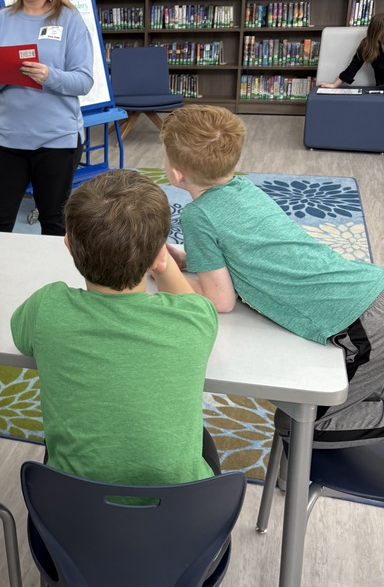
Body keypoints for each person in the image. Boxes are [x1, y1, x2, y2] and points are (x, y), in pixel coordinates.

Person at [11, 169, 220, 587]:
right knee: (203, 444)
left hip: (70, 528)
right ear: (156, 255)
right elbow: (195, 300)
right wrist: (161, 262)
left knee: (58, 452)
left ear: (67, 244)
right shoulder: (193, 322)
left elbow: (20, 336)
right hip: (181, 541)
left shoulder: (47, 309)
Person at [159, 105, 384, 442]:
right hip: (367, 289)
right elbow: (246, 248)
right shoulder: (245, 188)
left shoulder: (198, 216)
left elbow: (220, 300)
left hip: (362, 322)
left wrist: (165, 273)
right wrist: (190, 259)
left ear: (175, 174)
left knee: (301, 426)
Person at [0, 0, 93, 236]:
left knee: (55, 224)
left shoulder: (69, 20)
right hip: (9, 140)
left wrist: (48, 75)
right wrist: (0, 75)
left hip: (56, 141)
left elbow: (84, 81)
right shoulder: (1, 21)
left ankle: (57, 282)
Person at [317, 12, 384, 87]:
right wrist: (334, 85)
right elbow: (353, 67)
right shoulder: (367, 45)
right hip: (380, 89)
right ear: (376, 33)